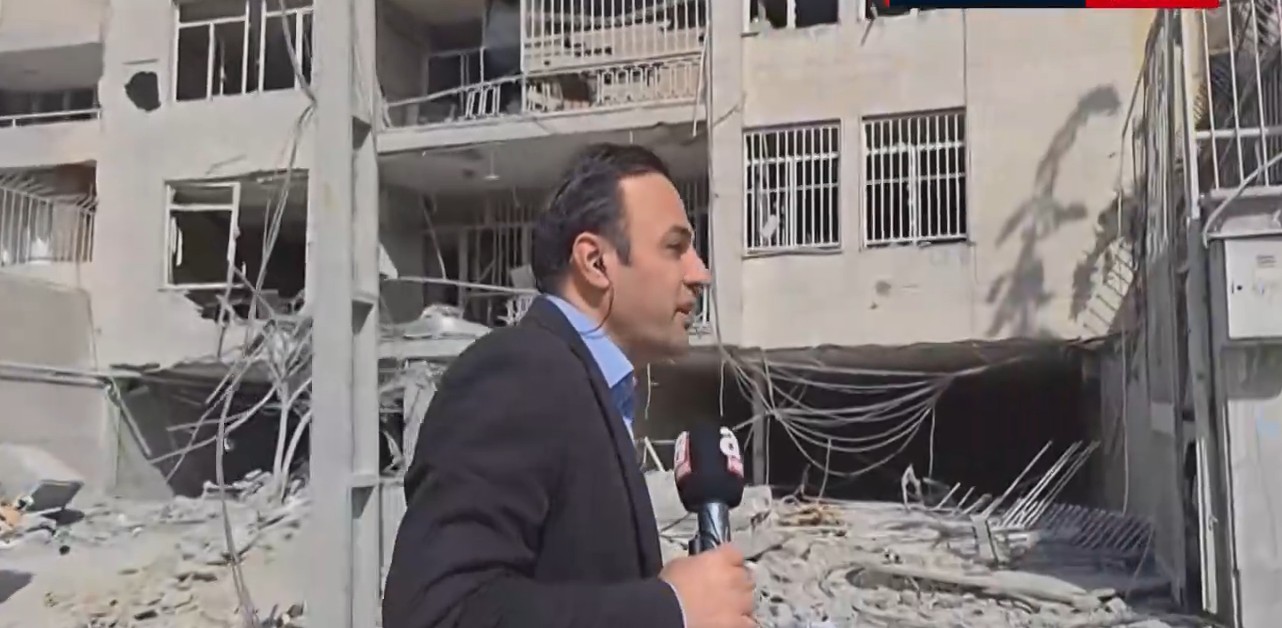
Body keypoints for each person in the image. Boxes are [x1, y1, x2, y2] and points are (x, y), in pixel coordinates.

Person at [382, 144, 756, 628]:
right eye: (674, 247)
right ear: (595, 262)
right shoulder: (518, 372)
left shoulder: (589, 391)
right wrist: (670, 609)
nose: (699, 273)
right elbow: (438, 615)